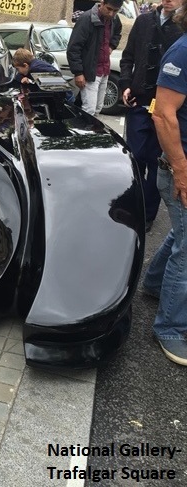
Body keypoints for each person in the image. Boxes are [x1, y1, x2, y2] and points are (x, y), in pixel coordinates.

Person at [142, 0, 187, 366]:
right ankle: (170, 328)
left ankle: (155, 285)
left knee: (181, 234)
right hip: (178, 168)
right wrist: (181, 169)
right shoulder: (183, 50)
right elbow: (163, 115)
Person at [120, 0, 182, 232]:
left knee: (157, 164)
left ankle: (147, 215)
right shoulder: (143, 20)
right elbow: (127, 57)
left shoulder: (182, 28)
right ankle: (131, 206)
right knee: (134, 159)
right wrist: (126, 83)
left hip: (167, 109)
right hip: (139, 103)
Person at [67, 0, 123, 116]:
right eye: (109, 9)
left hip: (104, 69)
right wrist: (78, 72)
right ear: (102, 3)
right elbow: (73, 48)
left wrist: (111, 46)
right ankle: (85, 133)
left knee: (97, 109)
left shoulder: (115, 19)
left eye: (115, 11)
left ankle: (92, 132)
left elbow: (118, 32)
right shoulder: (86, 19)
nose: (111, 13)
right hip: (90, 71)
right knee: (89, 110)